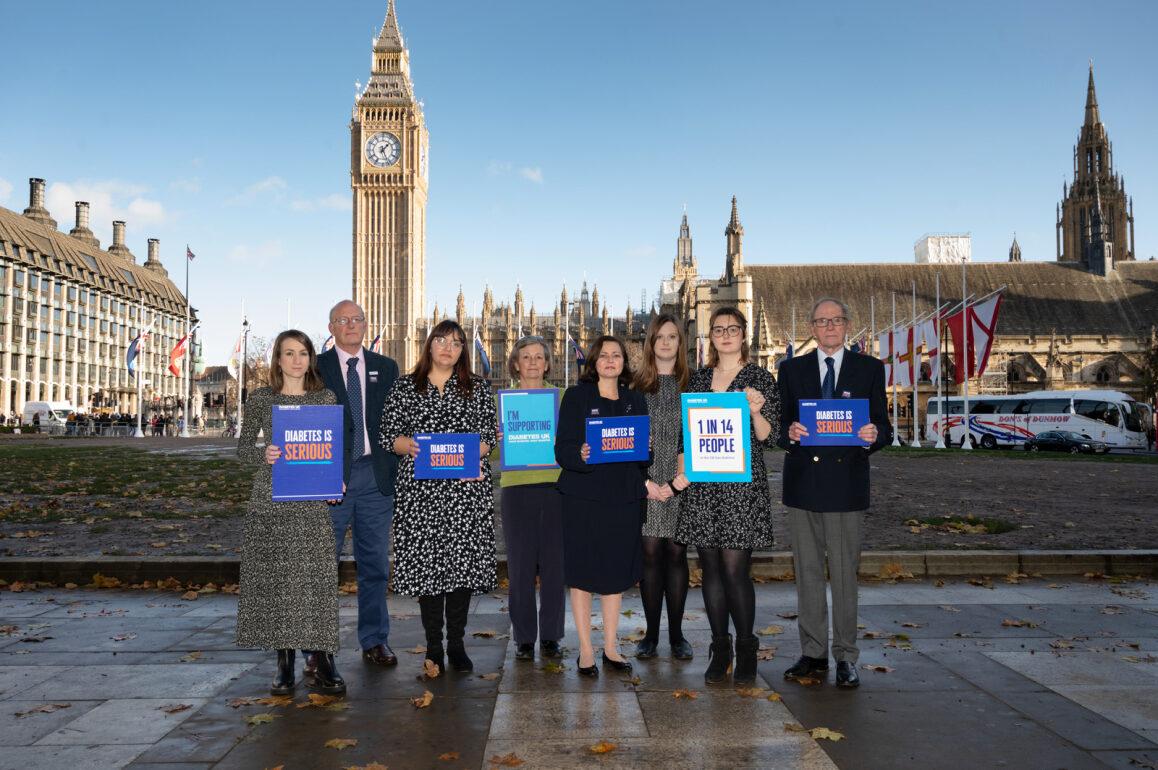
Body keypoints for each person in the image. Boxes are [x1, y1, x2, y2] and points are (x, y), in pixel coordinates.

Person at [777, 297, 891, 689]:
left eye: (836, 320)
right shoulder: (790, 370)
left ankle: (845, 655)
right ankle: (813, 654)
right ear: (812, 327)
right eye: (822, 321)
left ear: (847, 326)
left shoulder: (870, 369)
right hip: (804, 485)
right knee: (807, 575)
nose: (829, 327)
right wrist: (788, 434)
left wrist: (872, 437)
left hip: (846, 486)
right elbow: (779, 427)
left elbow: (884, 427)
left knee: (844, 575)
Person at [673, 307, 780, 685]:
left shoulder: (758, 378)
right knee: (711, 571)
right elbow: (687, 436)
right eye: (718, 329)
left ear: (743, 334)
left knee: (736, 571)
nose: (726, 334)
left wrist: (756, 412)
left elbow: (771, 436)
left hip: (740, 489)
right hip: (703, 488)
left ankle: (747, 647)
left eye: (732, 328)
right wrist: (681, 469)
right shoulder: (698, 381)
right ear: (710, 336)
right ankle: (721, 647)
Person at [383, 320, 497, 674]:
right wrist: (409, 445)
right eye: (442, 340)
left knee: (460, 570)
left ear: (463, 351)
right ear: (429, 345)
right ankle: (434, 645)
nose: (448, 347)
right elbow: (389, 434)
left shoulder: (476, 389)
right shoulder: (405, 387)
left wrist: (473, 454)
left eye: (457, 343)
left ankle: (457, 644)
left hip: (464, 492)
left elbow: (488, 436)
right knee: (429, 571)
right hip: (421, 493)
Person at [235, 329, 344, 695]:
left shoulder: (325, 398)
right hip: (272, 499)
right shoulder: (262, 399)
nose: (297, 360)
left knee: (317, 580)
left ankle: (325, 658)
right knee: (278, 582)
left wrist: (334, 483)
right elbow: (243, 450)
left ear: (311, 359)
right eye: (289, 353)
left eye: (303, 353)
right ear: (278, 360)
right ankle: (284, 662)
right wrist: (262, 452)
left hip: (311, 502)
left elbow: (330, 450)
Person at [312, 299, 400, 673]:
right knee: (319, 565)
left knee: (375, 565)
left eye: (357, 319)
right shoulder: (317, 367)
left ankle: (375, 639)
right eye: (342, 320)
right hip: (330, 477)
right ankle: (315, 648)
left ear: (366, 326)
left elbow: (402, 418)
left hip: (374, 476)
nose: (351, 325)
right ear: (331, 327)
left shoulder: (386, 367)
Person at [555, 335, 649, 677]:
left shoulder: (635, 399)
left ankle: (611, 646)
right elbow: (562, 449)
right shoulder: (577, 397)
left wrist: (647, 445)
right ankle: (585, 649)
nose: (611, 360)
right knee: (582, 573)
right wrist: (578, 453)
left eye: (617, 355)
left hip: (622, 497)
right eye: (604, 355)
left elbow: (643, 457)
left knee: (614, 573)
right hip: (583, 496)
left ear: (624, 362)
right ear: (593, 362)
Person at [497, 337, 565, 662]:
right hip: (516, 488)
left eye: (539, 357)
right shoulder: (504, 401)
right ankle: (524, 637)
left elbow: (572, 442)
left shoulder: (562, 398)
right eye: (527, 357)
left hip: (555, 487)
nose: (534, 363)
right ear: (516, 364)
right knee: (521, 567)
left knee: (555, 566)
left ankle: (551, 636)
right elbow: (495, 452)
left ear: (548, 363)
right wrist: (496, 437)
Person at [631, 313, 693, 661]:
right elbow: (624, 442)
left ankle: (677, 634)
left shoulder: (695, 385)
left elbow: (700, 436)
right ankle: (652, 634)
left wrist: (679, 482)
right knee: (651, 555)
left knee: (677, 554)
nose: (666, 342)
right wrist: (646, 483)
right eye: (660, 337)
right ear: (651, 342)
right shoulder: (636, 389)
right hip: (648, 482)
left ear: (680, 343)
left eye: (673, 336)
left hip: (683, 479)